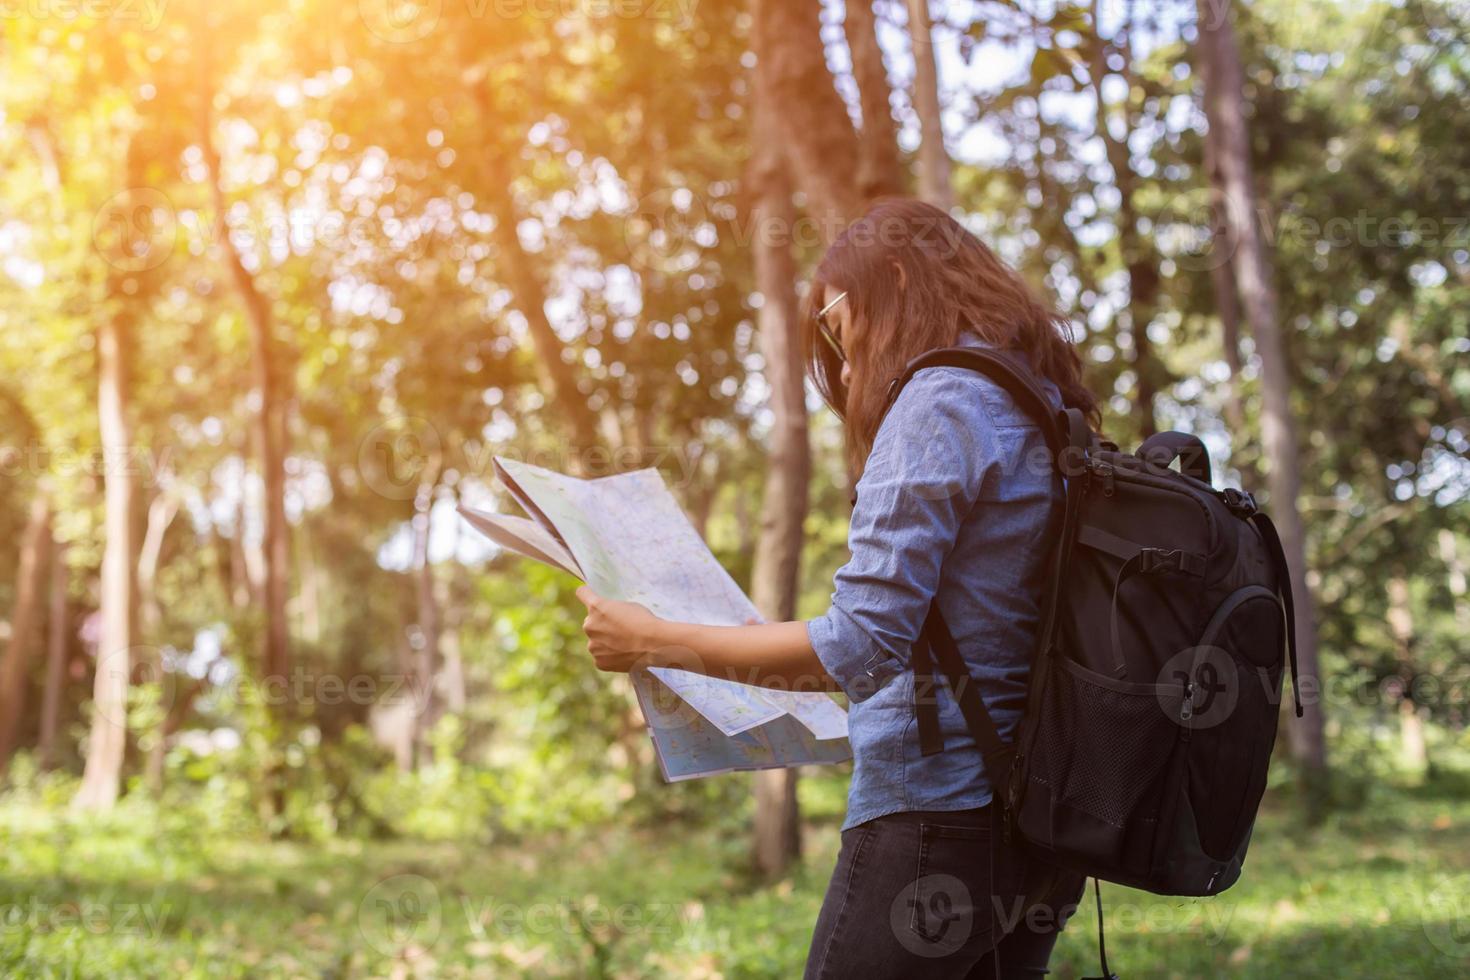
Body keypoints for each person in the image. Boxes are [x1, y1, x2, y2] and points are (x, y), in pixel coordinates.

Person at [576, 197, 1098, 978]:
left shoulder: (938, 402)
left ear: (892, 278)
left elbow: (861, 644)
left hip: (935, 820)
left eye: (835, 324)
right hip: (1038, 819)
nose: (845, 362)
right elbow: (955, 627)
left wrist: (654, 641)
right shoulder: (1040, 406)